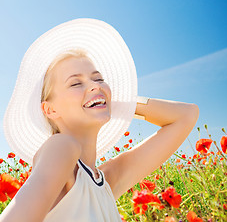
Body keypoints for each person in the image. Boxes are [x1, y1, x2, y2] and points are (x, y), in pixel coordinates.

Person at [1, 18, 199, 222]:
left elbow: (186, 115)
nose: (94, 85)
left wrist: (113, 101)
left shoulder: (105, 181)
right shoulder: (61, 147)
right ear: (50, 109)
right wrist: (99, 98)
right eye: (75, 83)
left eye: (98, 79)